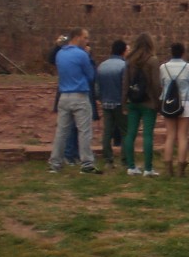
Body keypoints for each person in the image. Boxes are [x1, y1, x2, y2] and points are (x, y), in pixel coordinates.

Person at [47, 27, 100, 174]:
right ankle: (87, 163)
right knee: (84, 131)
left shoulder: (60, 54)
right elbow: (91, 75)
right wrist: (89, 57)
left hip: (64, 95)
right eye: (85, 38)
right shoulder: (81, 54)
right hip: (80, 95)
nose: (87, 41)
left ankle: (55, 163)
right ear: (77, 37)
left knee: (61, 132)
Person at [123, 32, 161, 177]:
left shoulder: (129, 60)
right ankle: (148, 168)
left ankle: (131, 166)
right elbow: (156, 84)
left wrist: (124, 101)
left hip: (132, 101)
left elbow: (125, 83)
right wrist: (158, 102)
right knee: (147, 135)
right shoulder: (152, 60)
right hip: (148, 102)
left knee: (130, 133)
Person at [159, 42, 189, 177]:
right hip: (185, 102)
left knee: (170, 135)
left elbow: (162, 83)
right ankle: (181, 168)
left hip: (168, 102)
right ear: (183, 52)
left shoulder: (163, 67)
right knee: (182, 136)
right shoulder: (188, 67)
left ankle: (168, 168)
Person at [95, 39, 128, 168]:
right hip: (119, 103)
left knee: (107, 132)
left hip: (106, 103)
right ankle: (125, 160)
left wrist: (101, 99)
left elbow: (97, 87)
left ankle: (108, 160)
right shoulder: (124, 66)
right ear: (123, 51)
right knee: (125, 131)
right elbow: (125, 86)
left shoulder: (102, 65)